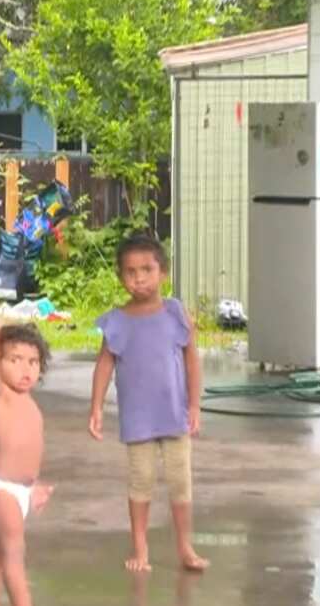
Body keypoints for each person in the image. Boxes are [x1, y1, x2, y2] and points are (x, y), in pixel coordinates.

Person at [87, 233, 209, 573]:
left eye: (147, 270)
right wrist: (96, 406)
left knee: (180, 482)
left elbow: (191, 361)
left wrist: (195, 405)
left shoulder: (175, 313)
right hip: (138, 419)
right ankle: (140, 547)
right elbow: (104, 365)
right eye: (130, 272)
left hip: (175, 415)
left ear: (163, 273)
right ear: (120, 277)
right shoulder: (117, 320)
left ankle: (185, 546)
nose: (139, 278)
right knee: (140, 481)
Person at [0, 319, 54, 606]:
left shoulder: (32, 405)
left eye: (33, 361)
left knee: (0, 551)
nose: (25, 368)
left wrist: (34, 485)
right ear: (0, 361)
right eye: (14, 360)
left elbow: (29, 450)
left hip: (19, 492)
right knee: (14, 550)